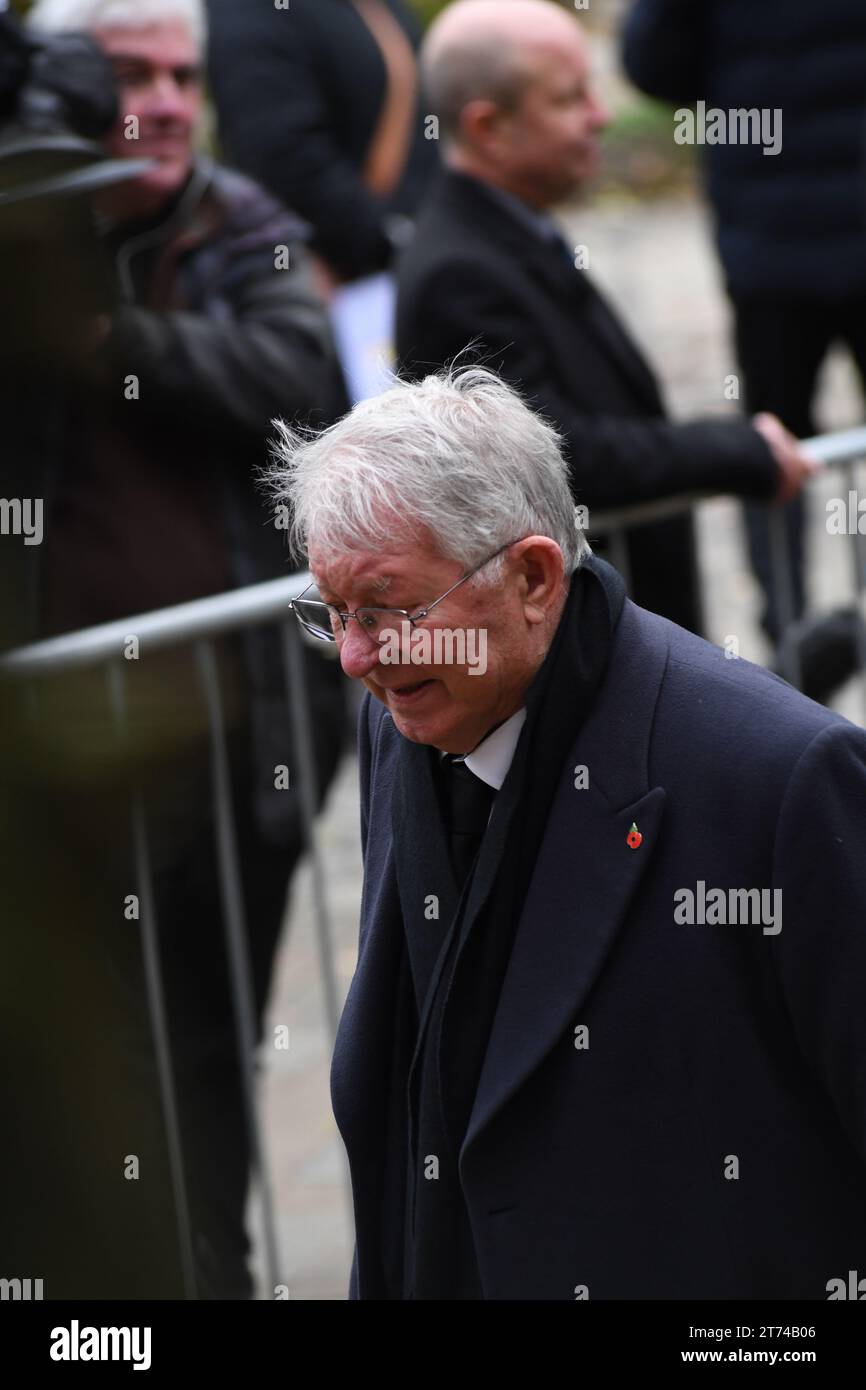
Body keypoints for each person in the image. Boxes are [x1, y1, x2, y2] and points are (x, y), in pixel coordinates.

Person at [272, 365, 866, 1300]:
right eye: (334, 613)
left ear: (535, 578)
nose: (356, 656)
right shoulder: (407, 713)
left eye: (388, 608)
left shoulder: (782, 779)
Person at [16, 0, 347, 1298]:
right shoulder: (31, 237)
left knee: (207, 1048)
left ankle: (216, 1277)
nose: (158, 98)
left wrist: (118, 339)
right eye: (125, 74)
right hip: (55, 768)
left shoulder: (241, 223)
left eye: (181, 74)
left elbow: (292, 370)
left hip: (235, 741)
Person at [395, 0, 815, 636]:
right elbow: (560, 458)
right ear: (489, 128)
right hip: (584, 651)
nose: (602, 116)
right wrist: (733, 448)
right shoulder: (460, 274)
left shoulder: (508, 231)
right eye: (569, 99)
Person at [622, 0, 866, 646]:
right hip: (778, 237)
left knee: (773, 439)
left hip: (770, 244)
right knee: (779, 439)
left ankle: (789, 638)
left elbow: (650, 63)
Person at [205, 0, 438, 286]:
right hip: (329, 280)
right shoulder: (250, 10)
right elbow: (281, 156)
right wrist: (388, 241)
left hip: (405, 263)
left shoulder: (379, 8)